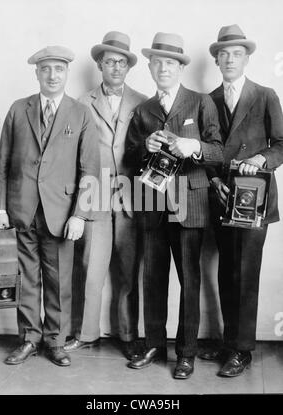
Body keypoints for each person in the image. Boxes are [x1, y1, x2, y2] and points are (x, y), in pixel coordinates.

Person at [0, 45, 100, 367]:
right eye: (45, 69)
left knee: (58, 282)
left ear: (66, 73)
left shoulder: (80, 113)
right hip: (21, 210)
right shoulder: (17, 109)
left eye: (59, 69)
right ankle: (29, 339)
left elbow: (90, 170)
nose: (52, 75)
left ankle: (55, 341)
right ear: (37, 73)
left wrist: (80, 213)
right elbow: (2, 164)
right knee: (25, 279)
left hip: (62, 214)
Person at [124, 32, 224, 379]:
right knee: (152, 278)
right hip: (151, 204)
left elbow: (219, 150)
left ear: (180, 67)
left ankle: (186, 353)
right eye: (157, 62)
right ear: (150, 67)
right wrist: (144, 147)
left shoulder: (200, 102)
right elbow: (129, 159)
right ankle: (153, 344)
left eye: (170, 62)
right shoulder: (143, 110)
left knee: (189, 280)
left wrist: (193, 145)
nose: (163, 68)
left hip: (190, 205)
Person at [199, 24, 283, 377]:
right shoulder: (209, 100)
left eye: (237, 53)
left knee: (246, 274)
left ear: (247, 58)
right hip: (221, 197)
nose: (230, 59)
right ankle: (229, 341)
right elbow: (205, 150)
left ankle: (243, 351)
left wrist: (261, 160)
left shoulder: (265, 95)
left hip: (255, 199)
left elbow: (281, 144)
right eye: (224, 54)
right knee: (226, 271)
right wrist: (215, 179)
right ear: (216, 60)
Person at [64, 32, 147, 360]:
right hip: (94, 194)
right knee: (90, 268)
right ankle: (85, 334)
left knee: (128, 270)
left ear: (128, 67)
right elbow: (73, 153)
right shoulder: (82, 103)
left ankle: (128, 335)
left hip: (130, 196)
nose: (115, 66)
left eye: (121, 62)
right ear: (99, 64)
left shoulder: (142, 102)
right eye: (109, 61)